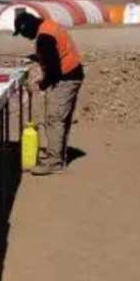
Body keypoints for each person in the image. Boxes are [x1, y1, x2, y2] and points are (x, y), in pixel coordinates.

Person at [13, 11, 85, 176]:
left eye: (23, 34)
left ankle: (54, 162)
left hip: (66, 78)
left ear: (26, 28)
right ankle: (58, 156)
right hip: (71, 74)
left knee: (54, 119)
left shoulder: (44, 37)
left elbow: (54, 69)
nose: (26, 38)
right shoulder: (48, 26)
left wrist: (43, 84)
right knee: (60, 119)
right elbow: (54, 56)